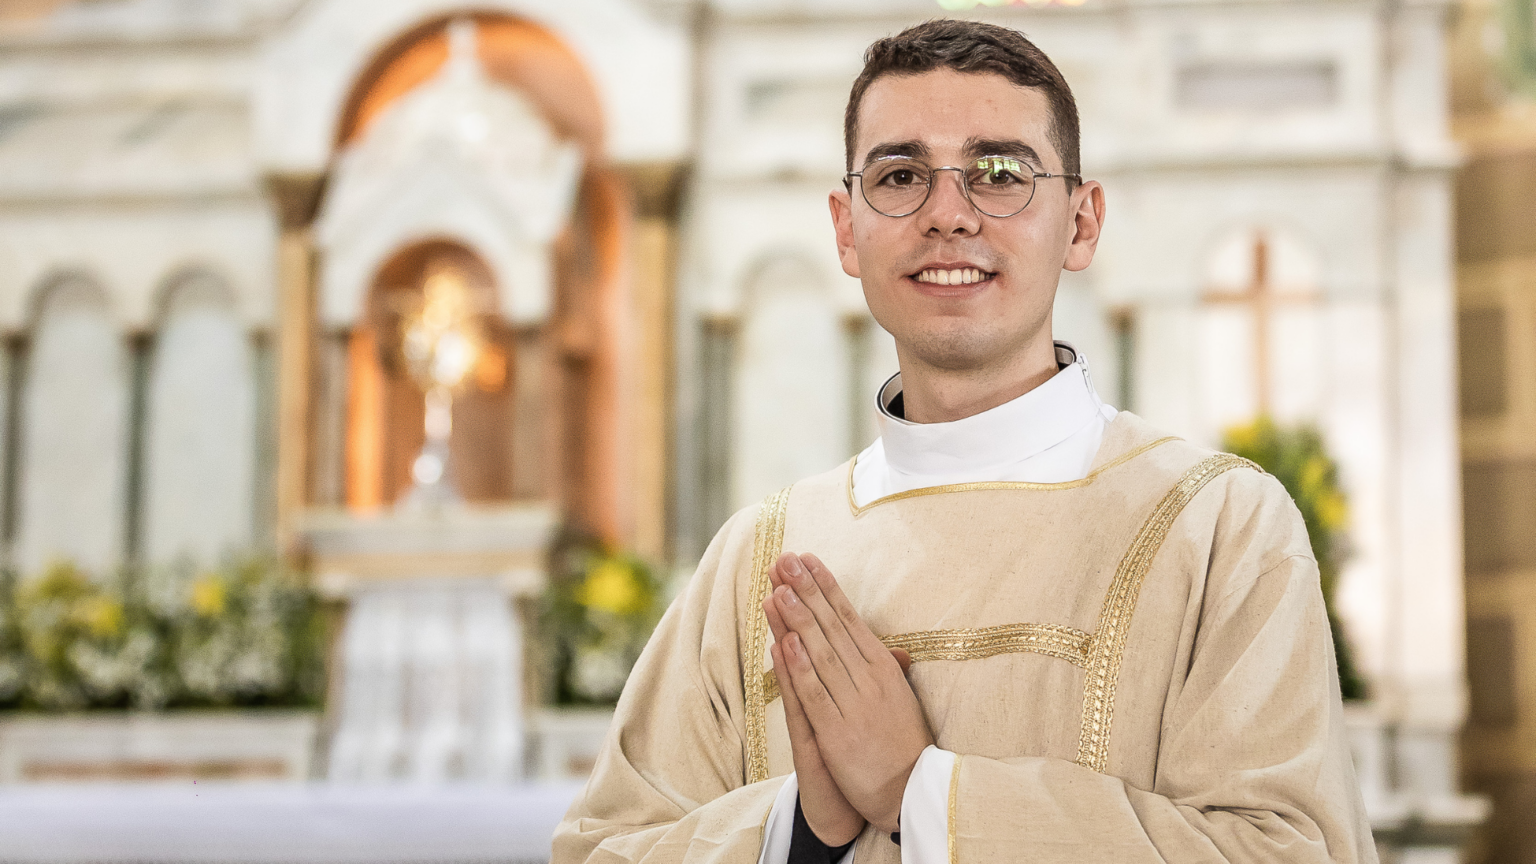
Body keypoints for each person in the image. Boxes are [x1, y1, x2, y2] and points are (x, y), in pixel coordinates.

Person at [553, 18, 1376, 864]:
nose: (948, 215)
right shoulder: (758, 558)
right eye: (902, 175)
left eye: (1000, 173)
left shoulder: (1221, 528)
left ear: (1082, 223)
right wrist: (800, 828)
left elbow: (1291, 850)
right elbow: (605, 849)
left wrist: (920, 794)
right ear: (846, 229)